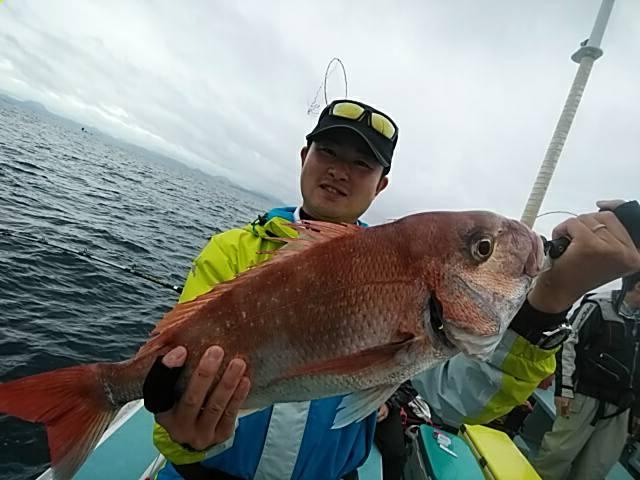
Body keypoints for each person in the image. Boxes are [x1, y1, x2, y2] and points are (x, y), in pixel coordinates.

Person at [144, 98, 640, 480]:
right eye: (328, 151)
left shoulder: (408, 282)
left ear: (381, 184)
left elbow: (458, 398)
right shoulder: (232, 251)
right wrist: (182, 433)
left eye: (363, 163)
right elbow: (170, 382)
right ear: (304, 156)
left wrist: (548, 305)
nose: (340, 170)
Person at [531, 272, 640, 480]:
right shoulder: (599, 306)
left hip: (620, 408)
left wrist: (637, 411)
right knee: (556, 455)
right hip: (584, 396)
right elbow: (568, 343)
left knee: (596, 468)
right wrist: (564, 389)